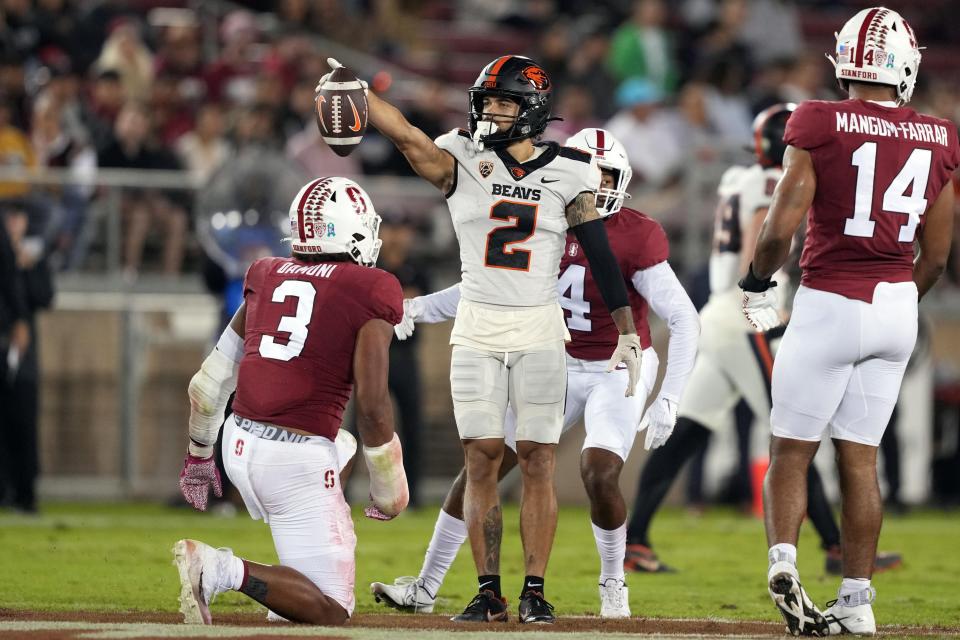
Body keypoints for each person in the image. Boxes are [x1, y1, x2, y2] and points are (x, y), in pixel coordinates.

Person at [317, 56, 644, 623]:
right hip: (476, 327)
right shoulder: (462, 157)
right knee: (483, 457)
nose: (488, 111)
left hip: (541, 328)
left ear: (532, 110)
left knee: (539, 459)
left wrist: (627, 330)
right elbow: (407, 136)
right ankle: (488, 590)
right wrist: (361, 96)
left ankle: (535, 591)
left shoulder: (571, 171)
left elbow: (599, 251)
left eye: (501, 102)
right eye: (486, 100)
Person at [370, 128, 699, 618]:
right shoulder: (538, 213)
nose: (596, 183)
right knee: (483, 464)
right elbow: (484, 289)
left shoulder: (635, 231)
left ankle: (613, 582)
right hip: (553, 357)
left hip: (617, 364)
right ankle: (425, 584)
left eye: (606, 174)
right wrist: (419, 309)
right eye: (589, 172)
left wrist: (670, 394)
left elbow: (683, 317)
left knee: (599, 472)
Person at [740, 8, 959, 636]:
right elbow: (938, 256)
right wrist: (895, 301)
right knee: (861, 460)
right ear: (905, 66)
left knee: (790, 452)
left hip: (830, 300)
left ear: (845, 61)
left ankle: (785, 562)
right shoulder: (940, 134)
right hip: (896, 303)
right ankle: (857, 601)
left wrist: (755, 281)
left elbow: (782, 223)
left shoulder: (818, 119)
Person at [622, 104, 902, 578]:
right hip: (746, 316)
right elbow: (761, 232)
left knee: (686, 431)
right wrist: (769, 295)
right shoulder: (773, 183)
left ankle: (635, 541)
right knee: (794, 432)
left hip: (718, 316)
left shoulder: (738, 175)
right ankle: (837, 546)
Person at [172, 177, 410, 626]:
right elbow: (375, 406)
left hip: (238, 444)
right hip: (292, 459)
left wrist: (200, 459)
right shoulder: (371, 286)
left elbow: (208, 386)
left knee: (343, 446)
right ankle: (220, 569)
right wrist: (390, 490)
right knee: (332, 609)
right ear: (352, 230)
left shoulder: (266, 272)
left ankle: (295, 583)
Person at [0, 203, 53, 514]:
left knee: (23, 421)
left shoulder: (33, 259)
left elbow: (45, 297)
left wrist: (26, 268)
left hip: (23, 353)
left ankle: (26, 491)